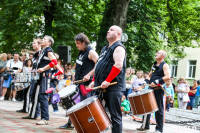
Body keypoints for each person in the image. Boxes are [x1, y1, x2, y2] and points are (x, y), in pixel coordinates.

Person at [88, 25, 126, 133]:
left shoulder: (119, 47)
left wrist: (108, 80)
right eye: (108, 29)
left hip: (113, 88)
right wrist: (93, 81)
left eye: (112, 30)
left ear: (119, 34)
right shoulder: (105, 49)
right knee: (97, 114)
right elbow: (99, 66)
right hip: (100, 87)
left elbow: (118, 65)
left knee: (115, 117)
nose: (108, 31)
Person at [59, 33, 98, 129]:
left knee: (84, 105)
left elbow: (99, 65)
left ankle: (88, 125)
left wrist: (89, 75)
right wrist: (73, 74)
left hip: (85, 85)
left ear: (84, 42)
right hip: (78, 82)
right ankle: (71, 123)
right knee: (74, 103)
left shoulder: (91, 52)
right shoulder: (81, 52)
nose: (76, 45)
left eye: (78, 43)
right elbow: (78, 64)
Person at [137, 50, 170, 133]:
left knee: (159, 109)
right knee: (147, 107)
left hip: (158, 89)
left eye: (158, 53)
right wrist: (145, 82)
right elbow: (150, 75)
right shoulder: (154, 65)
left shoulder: (165, 65)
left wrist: (156, 82)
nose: (156, 54)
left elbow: (167, 77)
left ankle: (159, 129)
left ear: (162, 56)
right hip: (150, 89)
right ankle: (145, 125)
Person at [19, 38, 42, 114]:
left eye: (34, 43)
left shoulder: (41, 54)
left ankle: (35, 113)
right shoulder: (35, 55)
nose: (32, 44)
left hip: (39, 78)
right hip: (33, 77)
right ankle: (32, 112)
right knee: (31, 95)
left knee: (35, 96)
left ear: (39, 44)